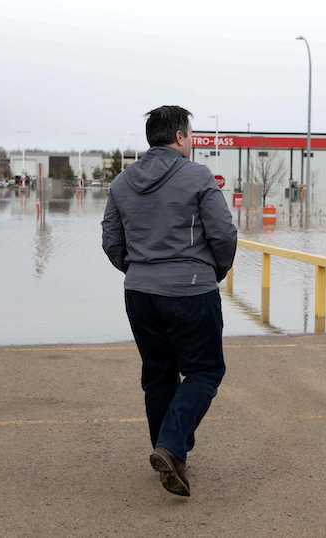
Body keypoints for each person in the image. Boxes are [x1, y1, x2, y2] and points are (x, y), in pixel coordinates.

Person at [101, 105, 237, 497]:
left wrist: (138, 270)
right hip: (190, 290)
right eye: (191, 135)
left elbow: (112, 240)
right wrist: (215, 272)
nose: (192, 141)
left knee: (158, 373)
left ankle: (171, 456)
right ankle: (171, 446)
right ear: (179, 137)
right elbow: (224, 234)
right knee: (204, 372)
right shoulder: (197, 175)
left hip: (140, 293)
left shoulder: (122, 181)